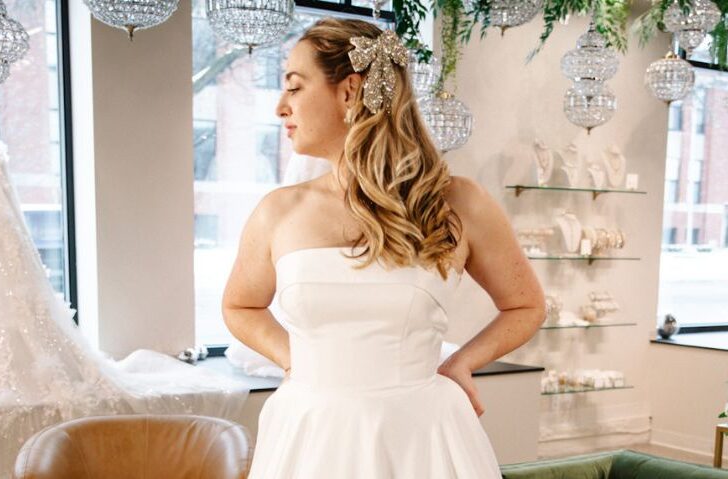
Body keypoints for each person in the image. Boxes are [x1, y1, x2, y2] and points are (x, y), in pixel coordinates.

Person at [221, 17, 546, 478]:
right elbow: (240, 305)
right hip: (311, 436)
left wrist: (461, 363)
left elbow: (526, 304)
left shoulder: (458, 202)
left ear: (349, 91)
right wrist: (299, 360)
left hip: (421, 438)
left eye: (293, 87)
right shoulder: (278, 211)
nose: (279, 107)